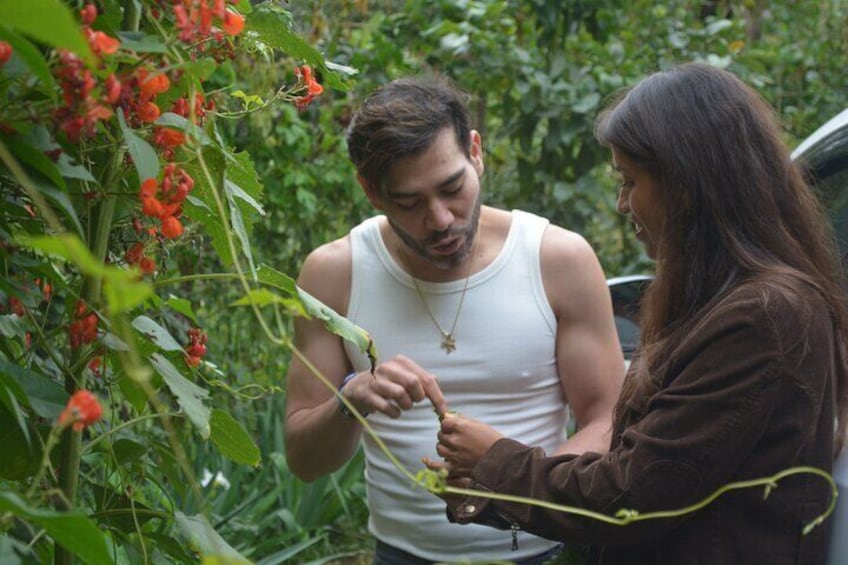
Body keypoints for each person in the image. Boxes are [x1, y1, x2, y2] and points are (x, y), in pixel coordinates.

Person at [432, 62, 848, 564]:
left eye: (629, 181)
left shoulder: (765, 315)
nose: (622, 203)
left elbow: (635, 495)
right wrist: (486, 489)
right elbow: (650, 468)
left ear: (687, 186)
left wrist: (495, 462)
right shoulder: (717, 301)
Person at [283, 76, 626, 564]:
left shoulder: (556, 259)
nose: (441, 219)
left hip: (548, 549)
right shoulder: (334, 274)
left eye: (452, 187)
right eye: (410, 202)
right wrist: (350, 400)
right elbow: (303, 460)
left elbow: (609, 420)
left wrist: (510, 483)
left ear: (476, 152)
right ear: (371, 192)